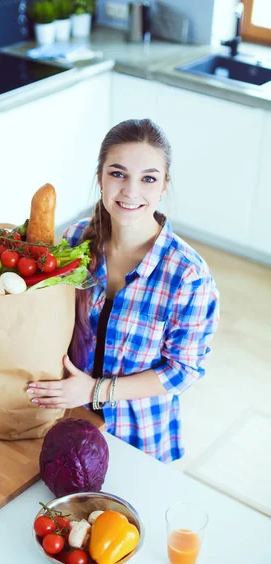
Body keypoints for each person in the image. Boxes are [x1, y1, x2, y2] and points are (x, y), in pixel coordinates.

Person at [27, 118, 220, 463]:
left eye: (148, 178)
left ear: (164, 186)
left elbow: (182, 371)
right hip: (63, 419)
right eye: (118, 174)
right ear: (100, 177)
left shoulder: (188, 276)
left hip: (137, 439)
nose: (131, 191)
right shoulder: (72, 243)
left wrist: (94, 390)